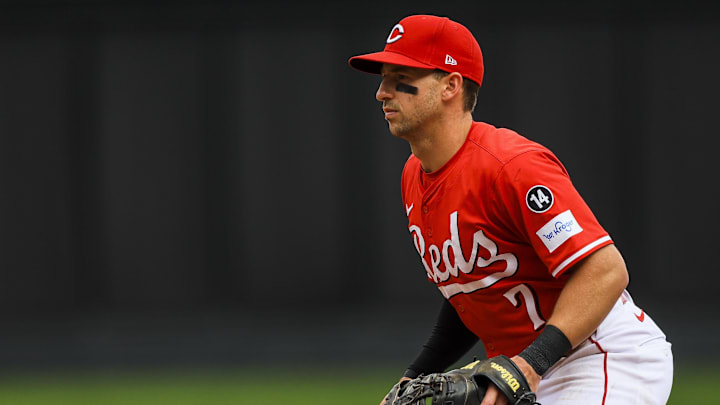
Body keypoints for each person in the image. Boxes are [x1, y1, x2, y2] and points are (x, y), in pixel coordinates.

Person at [348, 14, 673, 405]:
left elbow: (605, 271)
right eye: (383, 77)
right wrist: (413, 376)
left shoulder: (511, 166)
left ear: (451, 85)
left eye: (401, 76)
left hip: (600, 356)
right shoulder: (414, 175)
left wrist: (530, 365)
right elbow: (470, 292)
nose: (382, 92)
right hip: (523, 368)